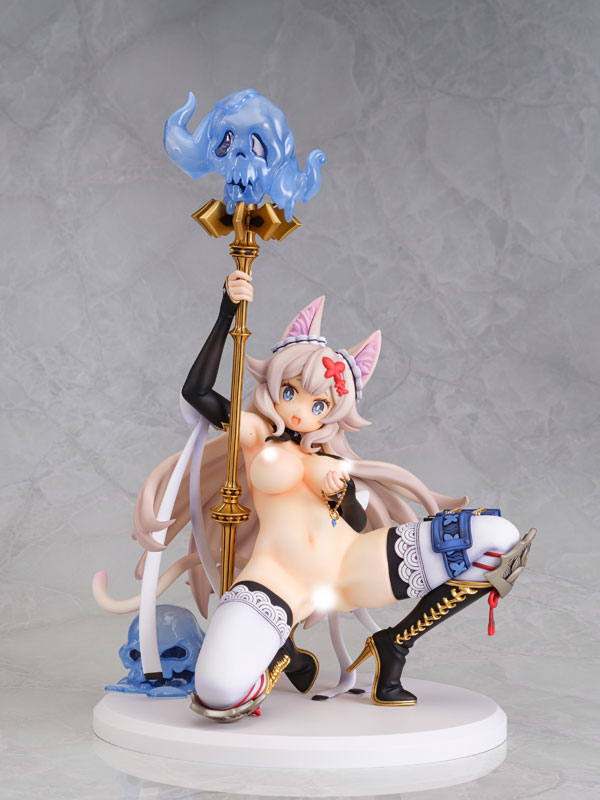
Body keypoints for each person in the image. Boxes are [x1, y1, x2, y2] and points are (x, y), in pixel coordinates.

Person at [130, 269, 535, 722]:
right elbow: (198, 392)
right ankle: (280, 653)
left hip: (354, 565)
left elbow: (357, 523)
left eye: (318, 405)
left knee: (500, 537)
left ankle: (395, 644)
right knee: (217, 691)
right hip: (278, 579)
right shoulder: (257, 436)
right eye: (290, 392)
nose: (300, 410)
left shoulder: (328, 455)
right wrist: (227, 312)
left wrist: (343, 497)